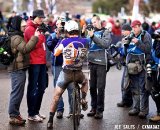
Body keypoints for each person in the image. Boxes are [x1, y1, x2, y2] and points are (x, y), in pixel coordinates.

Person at [47, 20, 89, 128]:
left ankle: (50, 120)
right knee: (85, 82)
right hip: (79, 72)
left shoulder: (64, 41)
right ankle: (83, 99)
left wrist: (60, 41)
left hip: (66, 73)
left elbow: (56, 53)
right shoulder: (85, 41)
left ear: (67, 31)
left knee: (56, 96)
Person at [8, 15, 39, 125]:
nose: (25, 27)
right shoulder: (16, 38)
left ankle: (16, 114)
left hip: (19, 68)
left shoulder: (17, 35)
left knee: (18, 92)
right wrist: (35, 37)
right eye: (23, 25)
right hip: (17, 69)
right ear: (17, 25)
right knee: (16, 93)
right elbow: (25, 49)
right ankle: (13, 116)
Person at [83, 15, 112, 119]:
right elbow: (85, 45)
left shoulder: (106, 32)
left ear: (100, 21)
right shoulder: (91, 32)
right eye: (92, 22)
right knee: (92, 87)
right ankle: (93, 108)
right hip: (91, 62)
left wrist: (92, 36)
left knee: (100, 88)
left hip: (101, 63)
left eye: (95, 22)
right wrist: (83, 33)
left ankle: (100, 110)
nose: (93, 24)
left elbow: (105, 44)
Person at [46, 18, 73, 119]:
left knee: (71, 88)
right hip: (57, 65)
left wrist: (66, 36)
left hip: (69, 65)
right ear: (56, 26)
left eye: (63, 25)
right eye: (59, 25)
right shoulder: (53, 36)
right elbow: (50, 47)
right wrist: (57, 37)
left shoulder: (69, 34)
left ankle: (73, 110)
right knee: (58, 88)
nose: (61, 27)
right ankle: (59, 110)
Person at [125, 20, 152, 118]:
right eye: (132, 27)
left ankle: (143, 110)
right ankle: (136, 108)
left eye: (135, 27)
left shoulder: (146, 35)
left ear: (140, 26)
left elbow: (148, 49)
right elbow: (127, 50)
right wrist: (125, 43)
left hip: (142, 65)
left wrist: (138, 42)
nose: (133, 29)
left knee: (143, 88)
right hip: (132, 65)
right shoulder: (132, 35)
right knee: (134, 88)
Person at [24, 9, 47, 122]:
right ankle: (31, 113)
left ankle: (36, 111)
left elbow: (42, 45)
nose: (41, 19)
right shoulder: (29, 29)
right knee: (32, 88)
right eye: (39, 17)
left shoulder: (39, 28)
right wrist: (41, 36)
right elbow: (34, 45)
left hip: (41, 62)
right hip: (34, 62)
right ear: (33, 17)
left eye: (42, 18)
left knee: (42, 87)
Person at [116, 24, 133, 108]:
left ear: (128, 31)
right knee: (125, 83)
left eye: (123, 30)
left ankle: (127, 101)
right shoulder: (125, 38)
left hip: (131, 63)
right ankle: (126, 100)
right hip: (127, 63)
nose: (122, 32)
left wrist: (121, 50)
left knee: (126, 83)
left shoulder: (131, 38)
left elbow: (126, 52)